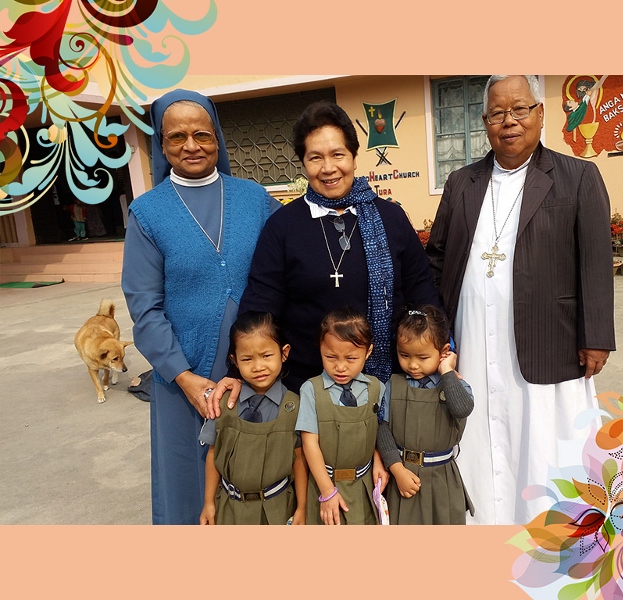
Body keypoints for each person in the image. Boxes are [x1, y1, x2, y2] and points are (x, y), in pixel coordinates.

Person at [426, 75, 615, 525]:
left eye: (519, 109)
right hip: (473, 335)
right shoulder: (462, 182)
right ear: (485, 122)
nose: (508, 121)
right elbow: (437, 257)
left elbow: (595, 259)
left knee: (542, 439)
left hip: (549, 337)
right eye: (497, 113)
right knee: (480, 430)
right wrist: (432, 330)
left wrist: (596, 335)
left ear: (540, 114)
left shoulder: (577, 176)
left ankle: (552, 529)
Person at [121, 89, 283, 524]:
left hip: (257, 369)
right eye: (176, 137)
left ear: (217, 138)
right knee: (191, 493)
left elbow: (292, 257)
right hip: (185, 379)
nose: (190, 145)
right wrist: (185, 377)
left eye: (201, 135)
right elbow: (144, 307)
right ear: (161, 144)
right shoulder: (147, 212)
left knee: (262, 478)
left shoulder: (254, 198)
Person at [220, 100, 440, 399]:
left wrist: (440, 349)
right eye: (315, 157)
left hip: (389, 382)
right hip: (307, 387)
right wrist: (238, 371)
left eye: (338, 154)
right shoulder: (282, 226)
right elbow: (261, 303)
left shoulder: (391, 218)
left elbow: (421, 289)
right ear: (303, 163)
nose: (328, 168)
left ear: (354, 156)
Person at [198, 312, 307, 525]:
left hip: (278, 509)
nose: (258, 367)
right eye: (247, 359)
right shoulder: (223, 404)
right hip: (230, 509)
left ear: (284, 353)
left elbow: (300, 460)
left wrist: (302, 508)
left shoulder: (295, 406)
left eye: (266, 356)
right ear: (234, 360)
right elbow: (213, 453)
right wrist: (209, 503)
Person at [376, 305, 474, 524]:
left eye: (422, 357)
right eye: (404, 355)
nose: (412, 365)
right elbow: (382, 429)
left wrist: (447, 371)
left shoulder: (454, 385)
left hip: (442, 479)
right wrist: (396, 469)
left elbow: (462, 409)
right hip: (404, 477)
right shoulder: (393, 385)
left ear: (444, 351)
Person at [295, 307, 388, 525]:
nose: (340, 367)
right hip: (324, 486)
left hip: (364, 487)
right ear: (320, 349)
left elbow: (378, 432)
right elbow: (309, 444)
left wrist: (379, 461)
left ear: (368, 352)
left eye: (351, 358)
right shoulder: (311, 390)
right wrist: (327, 491)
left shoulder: (376, 388)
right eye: (330, 357)